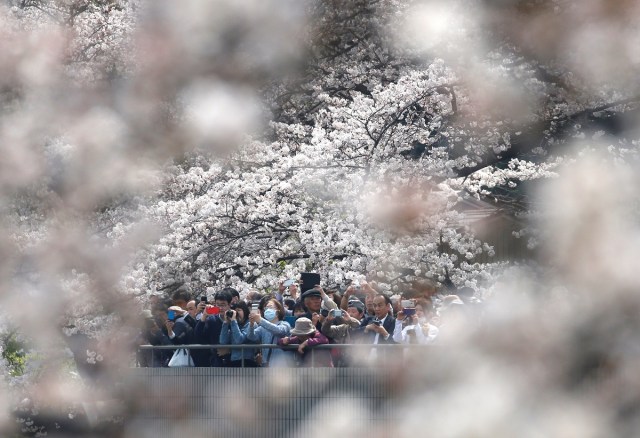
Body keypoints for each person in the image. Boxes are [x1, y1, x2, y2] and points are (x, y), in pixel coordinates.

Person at [247, 298, 291, 367]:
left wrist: (260, 320)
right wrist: (251, 324)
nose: (268, 310)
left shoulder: (285, 324)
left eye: (270, 307)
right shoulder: (262, 327)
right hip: (266, 364)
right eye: (266, 308)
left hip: (281, 364)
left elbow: (279, 331)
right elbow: (251, 337)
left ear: (278, 311)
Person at [194, 290, 233, 367]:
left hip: (233, 359)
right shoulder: (212, 319)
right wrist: (204, 316)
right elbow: (198, 335)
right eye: (218, 305)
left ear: (229, 305)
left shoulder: (234, 318)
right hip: (216, 360)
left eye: (223, 305)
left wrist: (229, 350)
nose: (220, 308)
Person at [219, 301, 258, 367]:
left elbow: (239, 340)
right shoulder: (234, 324)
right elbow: (223, 341)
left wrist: (233, 322)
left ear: (245, 311)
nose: (236, 313)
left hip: (247, 361)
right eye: (234, 311)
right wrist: (225, 323)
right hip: (233, 360)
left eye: (239, 310)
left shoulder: (251, 324)